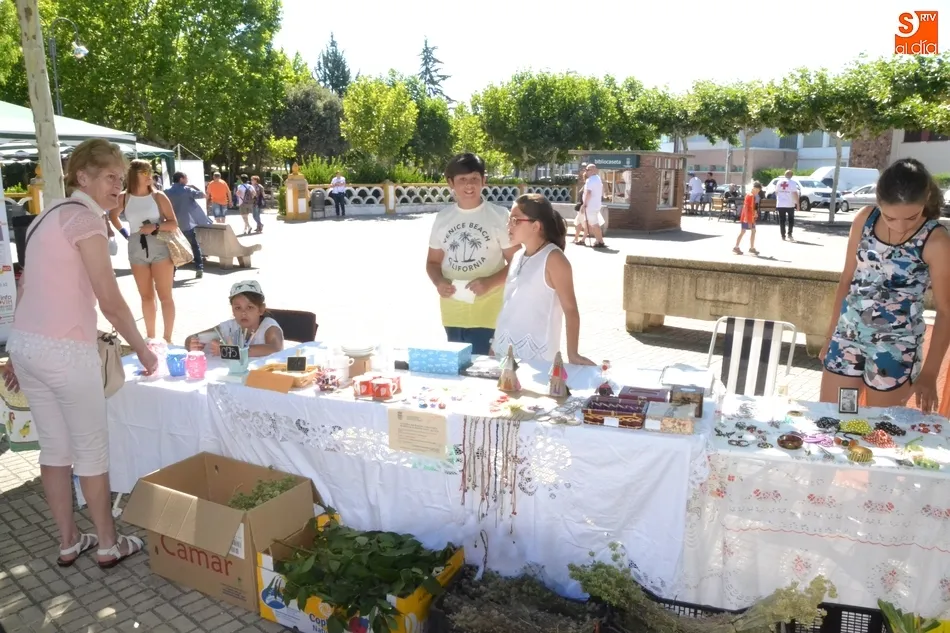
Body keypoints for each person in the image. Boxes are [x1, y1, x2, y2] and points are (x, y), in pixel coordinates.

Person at [1, 139, 157, 570]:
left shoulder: (43, 218)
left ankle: (69, 541)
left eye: (121, 179)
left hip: (27, 346)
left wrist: (15, 351)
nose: (118, 187)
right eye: (110, 177)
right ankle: (108, 543)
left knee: (54, 449)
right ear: (82, 177)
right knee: (90, 451)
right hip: (65, 350)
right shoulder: (86, 220)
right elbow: (109, 298)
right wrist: (143, 349)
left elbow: (28, 286)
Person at [820, 158, 950, 411]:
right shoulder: (865, 219)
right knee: (836, 417)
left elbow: (945, 311)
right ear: (878, 201)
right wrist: (830, 336)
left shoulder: (936, 240)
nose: (901, 227)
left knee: (881, 427)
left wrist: (930, 373)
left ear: (926, 199)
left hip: (895, 350)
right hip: (847, 339)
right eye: (890, 217)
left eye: (912, 217)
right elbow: (847, 280)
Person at [426, 153, 519, 355]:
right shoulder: (443, 218)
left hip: (489, 312)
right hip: (453, 312)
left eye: (475, 178)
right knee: (459, 366)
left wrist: (490, 283)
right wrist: (439, 282)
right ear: (451, 183)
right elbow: (432, 263)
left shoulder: (500, 216)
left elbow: (518, 261)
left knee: (485, 367)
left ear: (484, 181)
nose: (469, 185)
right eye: (462, 179)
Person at [493, 193, 594, 365]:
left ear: (536, 226)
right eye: (509, 220)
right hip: (503, 353)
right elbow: (508, 305)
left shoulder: (554, 259)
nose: (508, 226)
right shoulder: (517, 256)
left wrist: (573, 354)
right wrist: (495, 344)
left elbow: (570, 310)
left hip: (538, 358)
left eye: (515, 220)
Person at [110, 160, 179, 342]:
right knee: (146, 296)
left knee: (165, 296)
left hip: (159, 245)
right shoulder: (124, 197)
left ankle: (167, 338)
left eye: (150, 171)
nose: (150, 176)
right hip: (136, 247)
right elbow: (113, 215)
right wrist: (125, 233)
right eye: (145, 172)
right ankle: (151, 337)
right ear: (134, 175)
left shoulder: (158, 196)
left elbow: (173, 223)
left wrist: (155, 226)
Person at [185, 280, 284, 358]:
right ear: (232, 310)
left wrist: (228, 351)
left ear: (261, 309)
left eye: (250, 307)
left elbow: (275, 349)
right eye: (238, 308)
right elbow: (194, 337)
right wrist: (192, 343)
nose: (243, 313)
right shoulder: (230, 326)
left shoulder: (270, 327)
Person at [164, 172, 211, 280]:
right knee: (194, 246)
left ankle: (173, 271)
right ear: (181, 179)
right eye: (186, 178)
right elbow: (204, 195)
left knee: (174, 248)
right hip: (186, 224)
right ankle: (199, 268)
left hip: (172, 224)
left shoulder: (166, 191)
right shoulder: (188, 190)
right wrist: (193, 186)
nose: (187, 180)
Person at [733, 181, 761, 256]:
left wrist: (755, 213)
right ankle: (737, 247)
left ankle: (751, 247)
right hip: (748, 217)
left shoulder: (751, 195)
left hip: (750, 217)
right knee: (743, 232)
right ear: (754, 188)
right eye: (757, 190)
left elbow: (753, 207)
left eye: (758, 191)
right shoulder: (751, 196)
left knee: (752, 231)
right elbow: (746, 207)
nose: (757, 192)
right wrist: (746, 218)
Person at [582, 164, 607, 248]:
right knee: (594, 223)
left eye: (587, 170)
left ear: (593, 170)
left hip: (591, 205)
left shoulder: (590, 180)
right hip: (596, 204)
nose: (586, 171)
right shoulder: (598, 178)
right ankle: (598, 240)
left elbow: (588, 192)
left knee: (594, 224)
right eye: (586, 170)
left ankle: (600, 241)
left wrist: (584, 204)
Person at [774, 169, 801, 242]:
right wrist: (798, 204)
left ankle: (783, 235)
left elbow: (776, 192)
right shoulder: (792, 183)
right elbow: (795, 193)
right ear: (791, 175)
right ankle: (790, 234)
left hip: (780, 204)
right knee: (791, 220)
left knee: (782, 220)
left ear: (784, 174)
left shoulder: (779, 182)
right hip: (790, 204)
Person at [573, 164, 588, 245]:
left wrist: (584, 205)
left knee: (585, 224)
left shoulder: (587, 186)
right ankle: (576, 238)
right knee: (579, 223)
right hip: (580, 207)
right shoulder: (585, 185)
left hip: (583, 207)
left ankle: (583, 239)